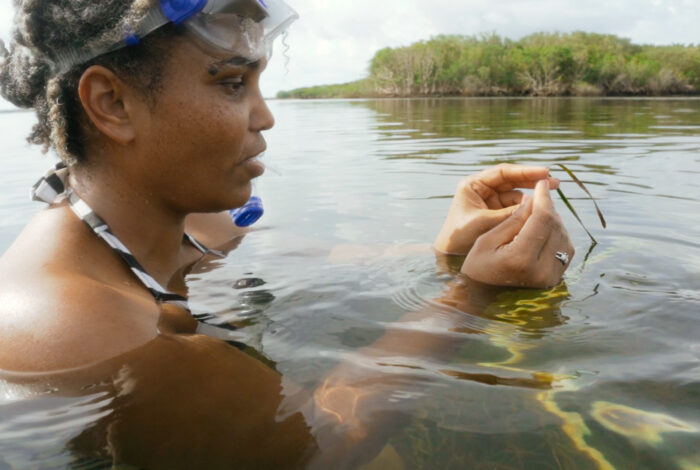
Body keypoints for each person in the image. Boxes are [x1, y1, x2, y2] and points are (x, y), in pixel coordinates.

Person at [0, 0, 574, 467]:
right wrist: (468, 300)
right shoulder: (66, 324)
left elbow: (326, 256)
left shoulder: (200, 226)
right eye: (230, 84)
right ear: (112, 103)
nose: (265, 115)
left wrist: (450, 253)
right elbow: (311, 447)